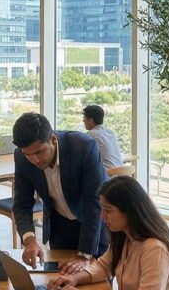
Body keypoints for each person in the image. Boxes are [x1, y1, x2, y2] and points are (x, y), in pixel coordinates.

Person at [11, 112, 110, 275]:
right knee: (61, 282)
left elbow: (95, 201)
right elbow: (22, 204)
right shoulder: (22, 158)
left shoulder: (83, 147)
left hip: (94, 225)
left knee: (97, 284)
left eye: (39, 152)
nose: (34, 160)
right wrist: (29, 241)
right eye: (28, 154)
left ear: (53, 140)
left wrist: (85, 254)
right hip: (61, 226)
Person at [82, 105, 124, 170]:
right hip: (121, 174)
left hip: (108, 176)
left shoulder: (91, 135)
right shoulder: (110, 133)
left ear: (90, 120)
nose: (83, 120)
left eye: (84, 118)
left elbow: (82, 155)